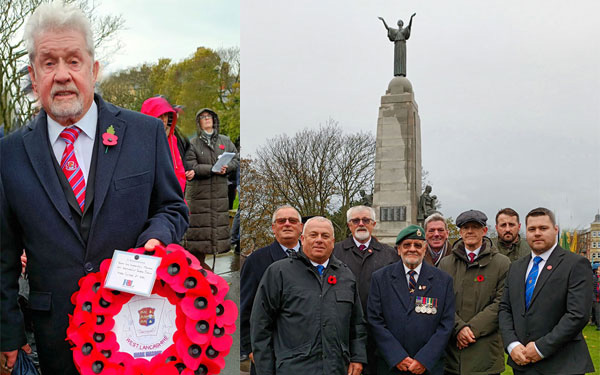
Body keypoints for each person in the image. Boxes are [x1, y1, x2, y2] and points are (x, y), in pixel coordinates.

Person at [0, 3, 188, 374]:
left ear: (94, 69)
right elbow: (2, 253)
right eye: (49, 62)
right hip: (54, 337)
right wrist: (8, 333)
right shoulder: (8, 154)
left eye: (74, 60)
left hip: (138, 328)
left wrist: (157, 237)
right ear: (33, 76)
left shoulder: (144, 134)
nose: (63, 75)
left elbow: (172, 207)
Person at [251, 217, 367, 375]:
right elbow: (260, 325)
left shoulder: (346, 275)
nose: (319, 240)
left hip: (336, 368)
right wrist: (265, 370)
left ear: (333, 242)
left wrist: (357, 357)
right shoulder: (279, 272)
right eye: (313, 235)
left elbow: (357, 323)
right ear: (303, 239)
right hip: (292, 369)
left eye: (325, 236)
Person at [498, 207, 595, 375]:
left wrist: (540, 348)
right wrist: (512, 345)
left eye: (543, 228)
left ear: (555, 230)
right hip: (522, 364)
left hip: (562, 366)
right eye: (532, 229)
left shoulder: (575, 264)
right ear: (525, 232)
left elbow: (577, 315)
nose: (537, 233)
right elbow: (505, 308)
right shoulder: (516, 267)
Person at [368, 225, 454, 375]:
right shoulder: (380, 278)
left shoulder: (443, 280)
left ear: (424, 249)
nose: (412, 249)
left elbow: (446, 324)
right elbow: (375, 320)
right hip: (391, 365)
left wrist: (424, 359)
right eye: (407, 245)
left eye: (417, 245)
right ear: (399, 249)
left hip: (428, 367)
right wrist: (397, 356)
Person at [438, 210, 510, 375]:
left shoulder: (502, 264)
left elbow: (501, 303)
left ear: (484, 231)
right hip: (452, 355)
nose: (470, 231)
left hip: (486, 355)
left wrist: (471, 330)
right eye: (465, 227)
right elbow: (441, 302)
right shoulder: (445, 264)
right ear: (460, 232)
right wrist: (459, 329)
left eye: (475, 227)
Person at [333, 205, 399, 375]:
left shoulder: (390, 254)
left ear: (373, 223)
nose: (361, 224)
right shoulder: (335, 252)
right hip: (344, 332)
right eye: (356, 220)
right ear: (349, 225)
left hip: (378, 333)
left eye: (366, 220)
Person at [240, 205, 303, 375]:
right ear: (273, 228)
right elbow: (245, 307)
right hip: (269, 355)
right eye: (281, 221)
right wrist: (251, 350)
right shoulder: (256, 260)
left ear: (301, 227)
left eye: (293, 220)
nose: (287, 224)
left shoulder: (313, 258)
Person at [184, 108, 239, 266]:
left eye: (209, 116)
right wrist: (213, 168)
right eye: (203, 117)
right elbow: (191, 165)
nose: (207, 119)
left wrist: (226, 167)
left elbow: (236, 159)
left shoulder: (225, 141)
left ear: (214, 120)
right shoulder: (193, 143)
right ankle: (198, 270)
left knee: (214, 235)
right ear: (199, 122)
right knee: (197, 237)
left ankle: (208, 276)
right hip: (199, 196)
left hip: (218, 196)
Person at [140, 95, 192, 195]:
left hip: (174, 197)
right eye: (160, 115)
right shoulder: (140, 140)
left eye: (166, 115)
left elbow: (179, 168)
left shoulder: (173, 139)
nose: (164, 119)